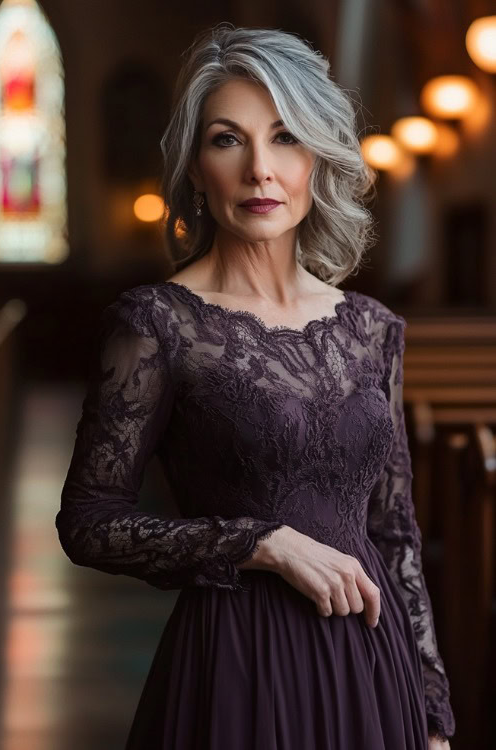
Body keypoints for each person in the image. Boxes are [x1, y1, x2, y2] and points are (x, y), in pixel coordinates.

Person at [55, 22, 456, 749]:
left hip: (373, 662)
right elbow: (88, 523)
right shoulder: (156, 324)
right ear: (196, 171)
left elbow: (395, 532)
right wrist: (259, 542)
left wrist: (430, 712)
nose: (260, 170)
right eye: (227, 139)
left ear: (317, 160)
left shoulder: (372, 329)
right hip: (240, 662)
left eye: (285, 137)